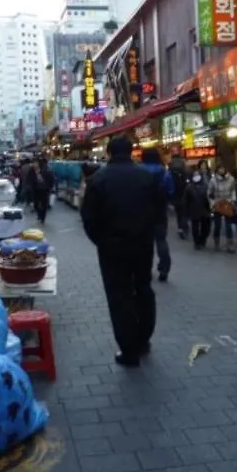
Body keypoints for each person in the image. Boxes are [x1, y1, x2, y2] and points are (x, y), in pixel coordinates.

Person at [80, 135, 167, 367]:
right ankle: (144, 338)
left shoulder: (98, 179)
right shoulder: (147, 177)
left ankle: (129, 349)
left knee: (119, 296)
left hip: (112, 248)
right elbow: (160, 210)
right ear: (131, 152)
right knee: (143, 289)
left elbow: (88, 217)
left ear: (108, 152)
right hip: (142, 244)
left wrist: (101, 240)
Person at [141, 147, 174, 281]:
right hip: (160, 211)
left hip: (142, 211)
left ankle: (146, 269)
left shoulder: (139, 170)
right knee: (161, 240)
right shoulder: (163, 172)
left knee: (144, 242)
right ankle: (164, 268)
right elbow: (171, 190)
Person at [207, 162, 237, 253]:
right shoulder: (213, 180)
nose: (221, 170)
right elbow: (209, 193)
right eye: (220, 169)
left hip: (227, 203)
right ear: (217, 170)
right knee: (217, 225)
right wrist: (212, 203)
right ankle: (216, 243)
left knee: (228, 225)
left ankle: (230, 244)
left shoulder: (231, 179)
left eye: (223, 169)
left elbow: (233, 190)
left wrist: (232, 200)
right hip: (218, 203)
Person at [185, 165, 211, 249]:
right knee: (195, 228)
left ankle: (202, 239)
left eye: (198, 175)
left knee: (206, 227)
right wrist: (186, 211)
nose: (196, 177)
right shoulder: (189, 187)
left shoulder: (205, 187)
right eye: (195, 175)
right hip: (194, 210)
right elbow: (185, 200)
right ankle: (197, 243)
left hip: (205, 209)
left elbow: (209, 197)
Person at [29, 158, 54, 223]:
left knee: (44, 204)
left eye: (36, 163)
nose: (35, 164)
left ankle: (43, 217)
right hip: (35, 189)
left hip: (44, 189)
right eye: (33, 163)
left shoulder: (45, 170)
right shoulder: (32, 170)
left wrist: (50, 186)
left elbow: (51, 178)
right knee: (36, 204)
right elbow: (29, 178)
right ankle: (39, 214)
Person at [170, 153, 189, 238]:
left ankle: (180, 228)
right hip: (184, 193)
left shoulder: (171, 169)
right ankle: (184, 226)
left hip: (175, 194)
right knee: (184, 211)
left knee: (178, 212)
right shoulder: (184, 167)